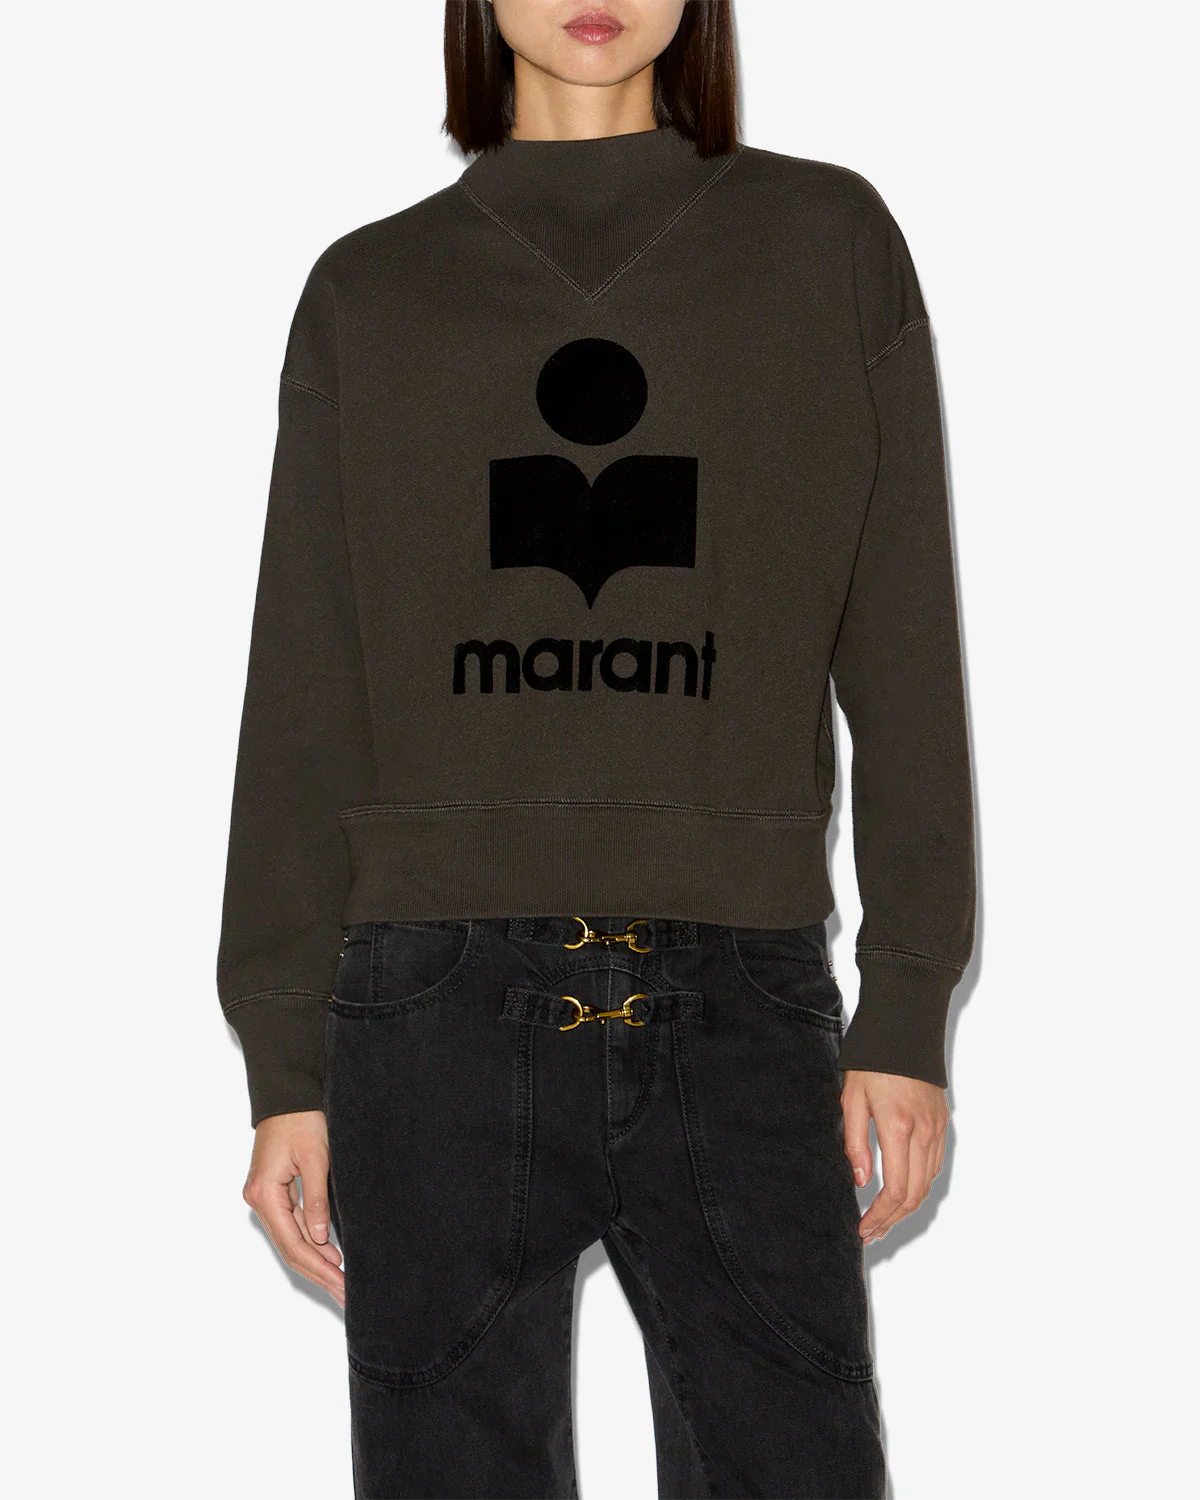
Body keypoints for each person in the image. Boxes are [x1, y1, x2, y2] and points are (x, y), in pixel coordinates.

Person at [216, 2, 976, 1495]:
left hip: (744, 997)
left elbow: (903, 641)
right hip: (429, 1016)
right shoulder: (370, 291)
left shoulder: (827, 244)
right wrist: (284, 1055)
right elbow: (307, 685)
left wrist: (905, 1000)